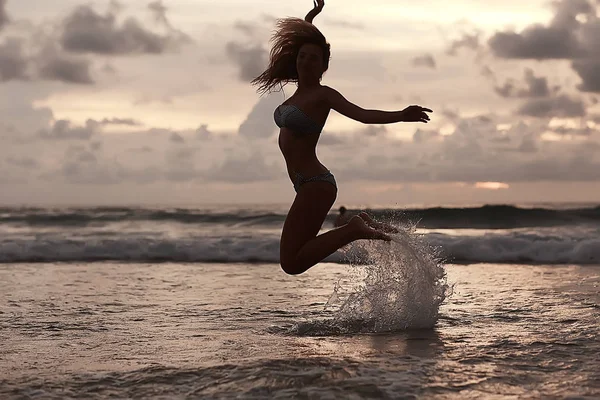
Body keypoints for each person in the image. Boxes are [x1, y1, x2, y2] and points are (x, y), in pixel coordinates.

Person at [251, 0, 432, 275]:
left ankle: (352, 230)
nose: (306, 61)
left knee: (291, 263)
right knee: (293, 259)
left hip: (316, 183)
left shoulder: (324, 95)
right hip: (304, 185)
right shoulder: (297, 94)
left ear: (323, 66)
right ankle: (356, 226)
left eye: (314, 58)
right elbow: (306, 42)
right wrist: (310, 18)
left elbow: (363, 115)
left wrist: (401, 114)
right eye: (302, 56)